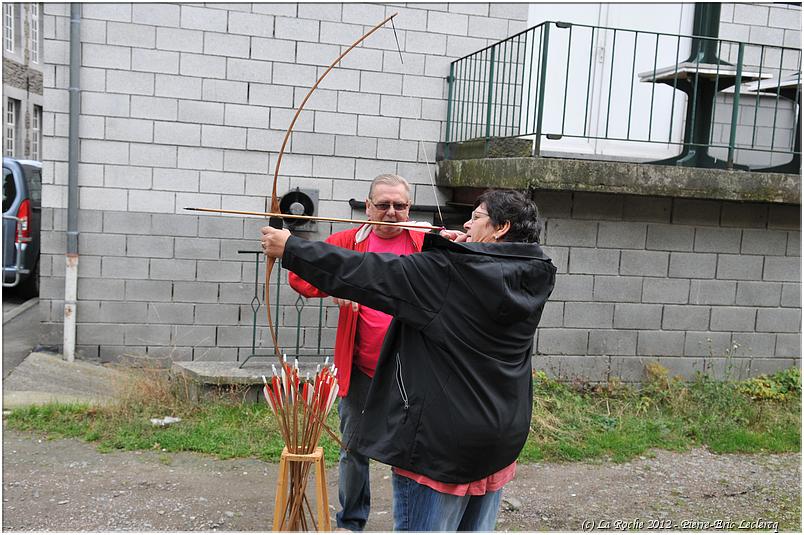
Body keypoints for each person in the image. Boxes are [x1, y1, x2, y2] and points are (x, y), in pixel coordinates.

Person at [262, 189, 556, 531]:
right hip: (500, 436)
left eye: (476, 218)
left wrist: (291, 247)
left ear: (501, 228)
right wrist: (468, 248)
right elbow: (482, 274)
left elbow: (369, 272)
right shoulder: (537, 271)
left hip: (441, 446)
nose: (467, 223)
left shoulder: (449, 272)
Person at [286, 174, 426, 532]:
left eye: (400, 206)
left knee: (410, 454)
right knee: (353, 449)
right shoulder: (350, 241)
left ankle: (411, 525)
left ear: (409, 208)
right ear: (367, 207)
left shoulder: (425, 242)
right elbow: (301, 275)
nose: (392, 212)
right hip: (361, 368)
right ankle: (350, 524)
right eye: (383, 205)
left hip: (411, 371)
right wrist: (336, 283)